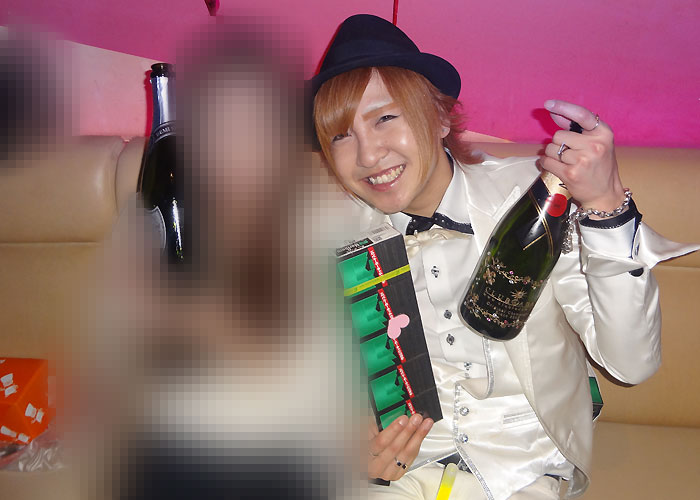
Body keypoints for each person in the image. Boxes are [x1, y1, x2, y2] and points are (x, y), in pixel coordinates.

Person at [310, 14, 698, 500]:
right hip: (398, 474)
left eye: (385, 118)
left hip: (521, 473)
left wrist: (605, 206)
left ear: (441, 117)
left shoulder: (536, 200)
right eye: (341, 135)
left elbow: (631, 364)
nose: (368, 155)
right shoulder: (326, 231)